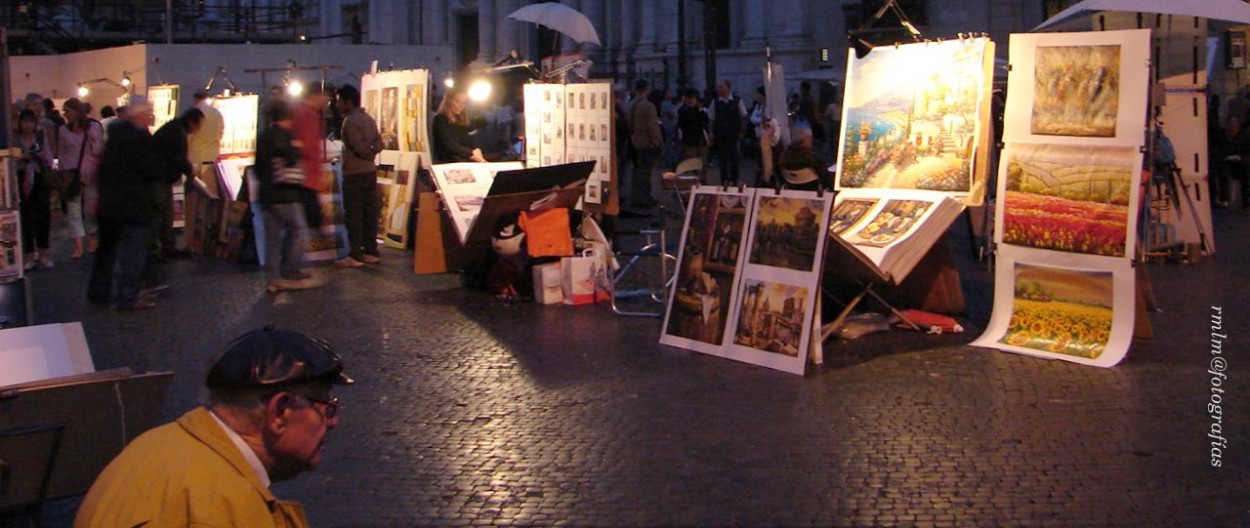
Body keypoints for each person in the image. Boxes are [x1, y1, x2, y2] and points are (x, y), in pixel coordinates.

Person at [74, 326, 352, 528]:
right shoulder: (226, 508)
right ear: (279, 412)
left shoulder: (155, 444)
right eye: (325, 406)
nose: (334, 421)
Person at [88, 96, 157, 310]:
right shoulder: (140, 138)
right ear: (141, 115)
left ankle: (99, 292)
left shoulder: (115, 135)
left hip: (109, 204)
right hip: (133, 205)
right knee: (132, 252)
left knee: (107, 250)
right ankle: (128, 296)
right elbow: (149, 171)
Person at [256, 102, 319, 293]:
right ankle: (290, 270)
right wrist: (298, 147)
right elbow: (290, 158)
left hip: (266, 194)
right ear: (287, 118)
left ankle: (273, 280)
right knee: (299, 229)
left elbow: (258, 167)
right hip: (284, 194)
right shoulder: (284, 136)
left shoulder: (263, 136)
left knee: (272, 239)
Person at [335, 84, 384, 267]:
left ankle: (356, 254)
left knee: (354, 214)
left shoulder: (350, 121)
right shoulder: (368, 119)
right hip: (370, 172)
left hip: (355, 173)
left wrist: (366, 153)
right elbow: (379, 142)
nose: (337, 104)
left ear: (348, 102)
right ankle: (371, 251)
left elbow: (357, 146)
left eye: (340, 101)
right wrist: (372, 153)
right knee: (369, 212)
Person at [150, 108, 205, 261]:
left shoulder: (174, 128)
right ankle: (157, 250)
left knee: (165, 212)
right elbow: (179, 156)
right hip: (158, 177)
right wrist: (190, 172)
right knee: (160, 213)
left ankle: (166, 247)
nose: (198, 129)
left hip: (161, 176)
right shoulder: (177, 132)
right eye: (198, 125)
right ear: (191, 121)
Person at [56, 98, 105, 260]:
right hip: (71, 172)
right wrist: (62, 171)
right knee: (73, 211)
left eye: (67, 111)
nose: (65, 115)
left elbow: (99, 149)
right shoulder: (63, 130)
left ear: (76, 111)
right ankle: (78, 246)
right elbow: (62, 152)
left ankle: (93, 239)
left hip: (90, 173)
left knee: (90, 209)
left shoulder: (92, 127)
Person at [14, 109, 54, 269]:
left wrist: (44, 158)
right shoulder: (15, 139)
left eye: (31, 121)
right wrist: (23, 157)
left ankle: (43, 254)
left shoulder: (40, 137)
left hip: (40, 179)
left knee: (43, 217)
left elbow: (49, 158)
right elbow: (11, 161)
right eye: (25, 121)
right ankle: (29, 255)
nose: (28, 125)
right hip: (22, 179)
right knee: (26, 218)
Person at [628, 78, 662, 209]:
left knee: (637, 171)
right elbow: (653, 126)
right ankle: (644, 198)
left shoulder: (631, 104)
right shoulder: (648, 106)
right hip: (646, 143)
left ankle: (636, 197)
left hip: (634, 141)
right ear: (647, 89)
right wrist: (657, 142)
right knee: (645, 171)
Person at [706, 80, 747, 185]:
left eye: (721, 87)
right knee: (722, 158)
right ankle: (724, 179)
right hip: (721, 133)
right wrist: (710, 132)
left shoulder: (737, 101)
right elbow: (711, 119)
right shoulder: (715, 102)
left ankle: (735, 178)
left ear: (728, 88)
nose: (719, 89)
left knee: (734, 157)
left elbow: (743, 116)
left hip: (733, 133)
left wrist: (742, 131)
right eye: (718, 87)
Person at [431, 87, 487, 163]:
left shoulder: (460, 122)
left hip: (463, 161)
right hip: (447, 163)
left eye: (464, 102)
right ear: (449, 101)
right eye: (458, 102)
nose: (461, 106)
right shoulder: (440, 120)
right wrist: (472, 152)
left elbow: (468, 142)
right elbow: (450, 145)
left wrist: (476, 150)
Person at [778, 125, 830, 192]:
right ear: (806, 139)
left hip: (791, 189)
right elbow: (825, 178)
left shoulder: (783, 157)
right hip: (813, 190)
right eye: (810, 138)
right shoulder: (811, 158)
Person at [676, 88, 709, 173]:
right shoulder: (683, 110)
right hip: (690, 141)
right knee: (691, 163)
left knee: (703, 164)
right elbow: (687, 121)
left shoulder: (700, 110)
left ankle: (702, 180)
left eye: (693, 98)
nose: (691, 101)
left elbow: (705, 122)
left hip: (701, 140)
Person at [189, 91, 225, 168]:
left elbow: (189, 133)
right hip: (212, 154)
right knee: (209, 177)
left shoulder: (194, 113)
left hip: (196, 154)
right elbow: (221, 131)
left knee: (197, 178)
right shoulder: (216, 112)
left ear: (195, 99)